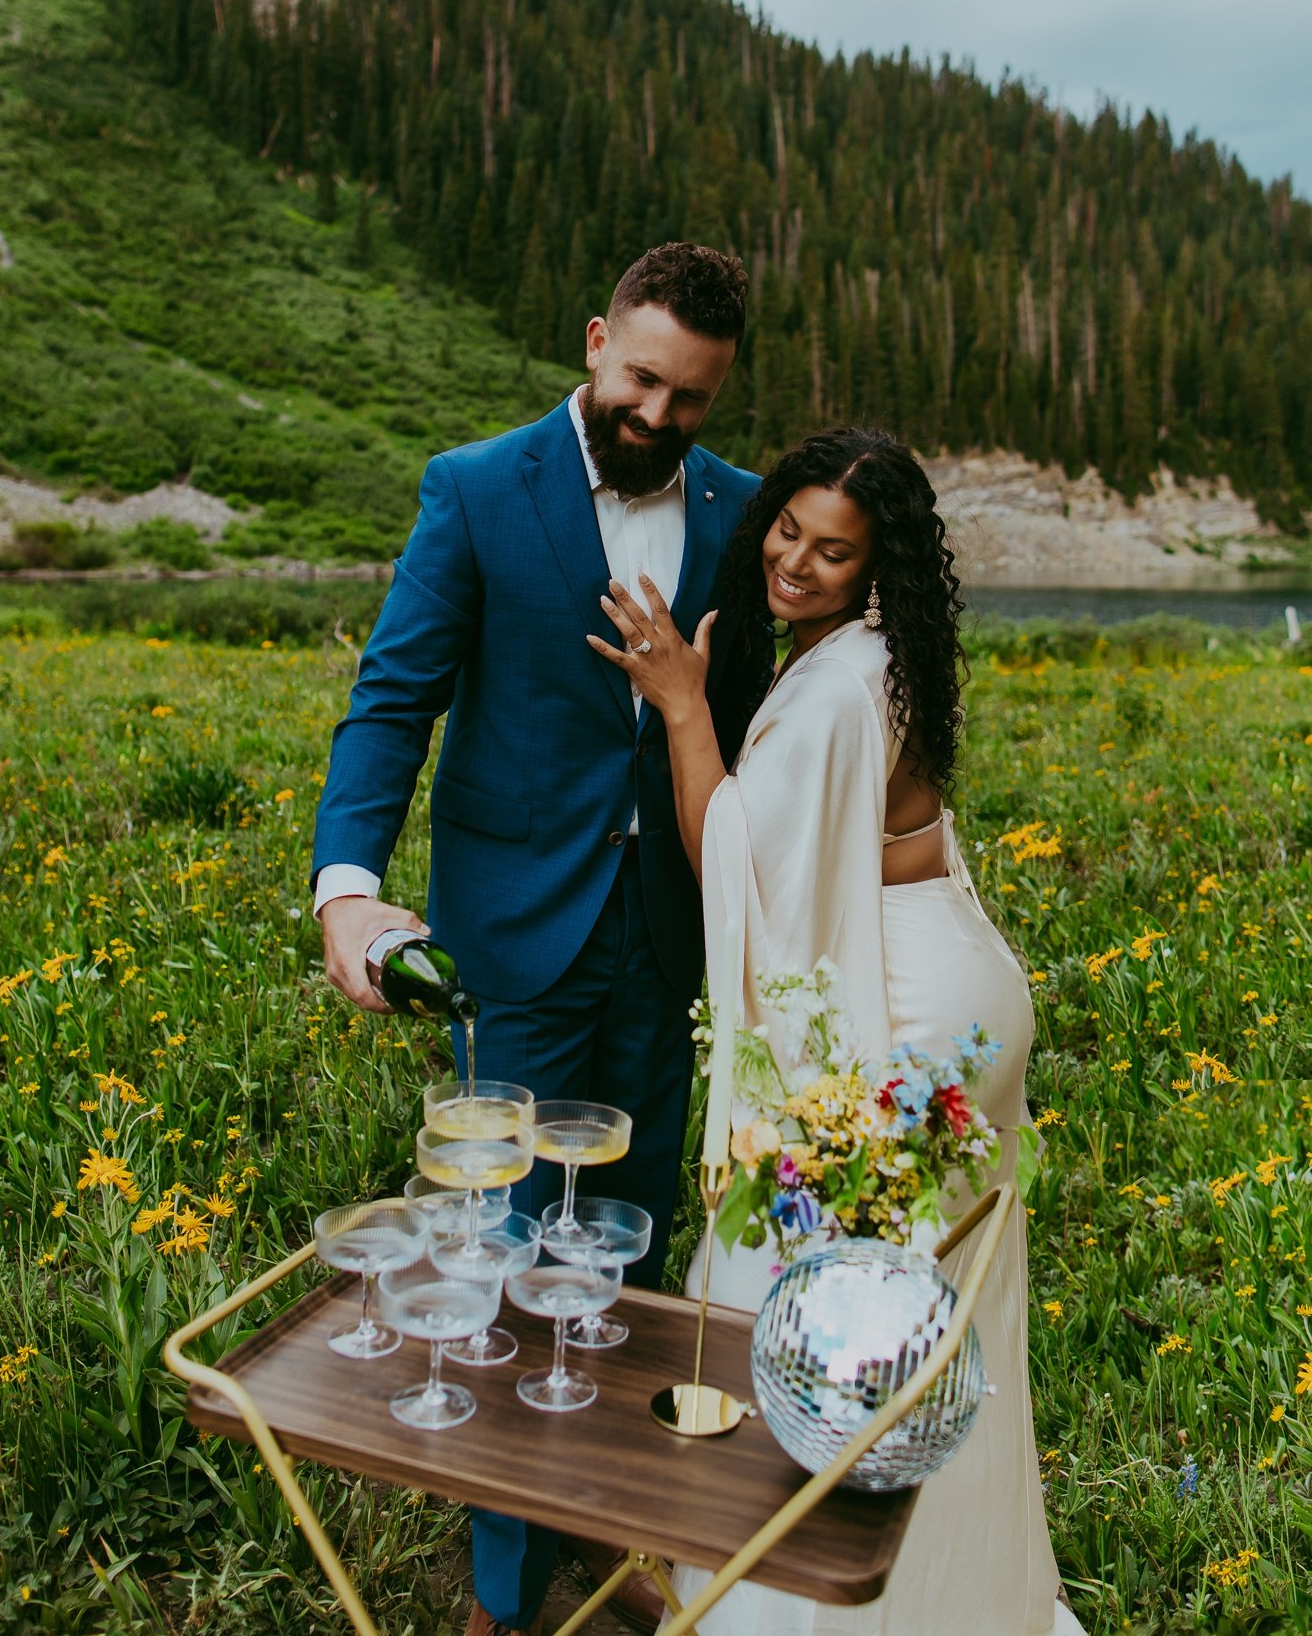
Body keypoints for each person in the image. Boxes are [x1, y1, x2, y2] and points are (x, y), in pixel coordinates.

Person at [311, 242, 760, 1636]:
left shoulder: (746, 517)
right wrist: (346, 888)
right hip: (512, 943)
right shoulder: (473, 487)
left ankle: (613, 1533)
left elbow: (746, 738)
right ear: (591, 344)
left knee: (627, 1242)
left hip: (663, 948)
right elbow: (394, 703)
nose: (659, 418)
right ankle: (502, 1595)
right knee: (503, 1256)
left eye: (690, 398)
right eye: (641, 379)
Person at [589, 428, 1087, 1636]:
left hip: (906, 1017)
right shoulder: (891, 654)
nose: (795, 564)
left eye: (833, 551)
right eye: (787, 532)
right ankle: (952, 1593)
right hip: (953, 983)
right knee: (938, 1312)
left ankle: (795, 1600)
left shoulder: (830, 693)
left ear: (875, 568)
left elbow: (734, 870)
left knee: (808, 1290)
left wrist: (684, 707)